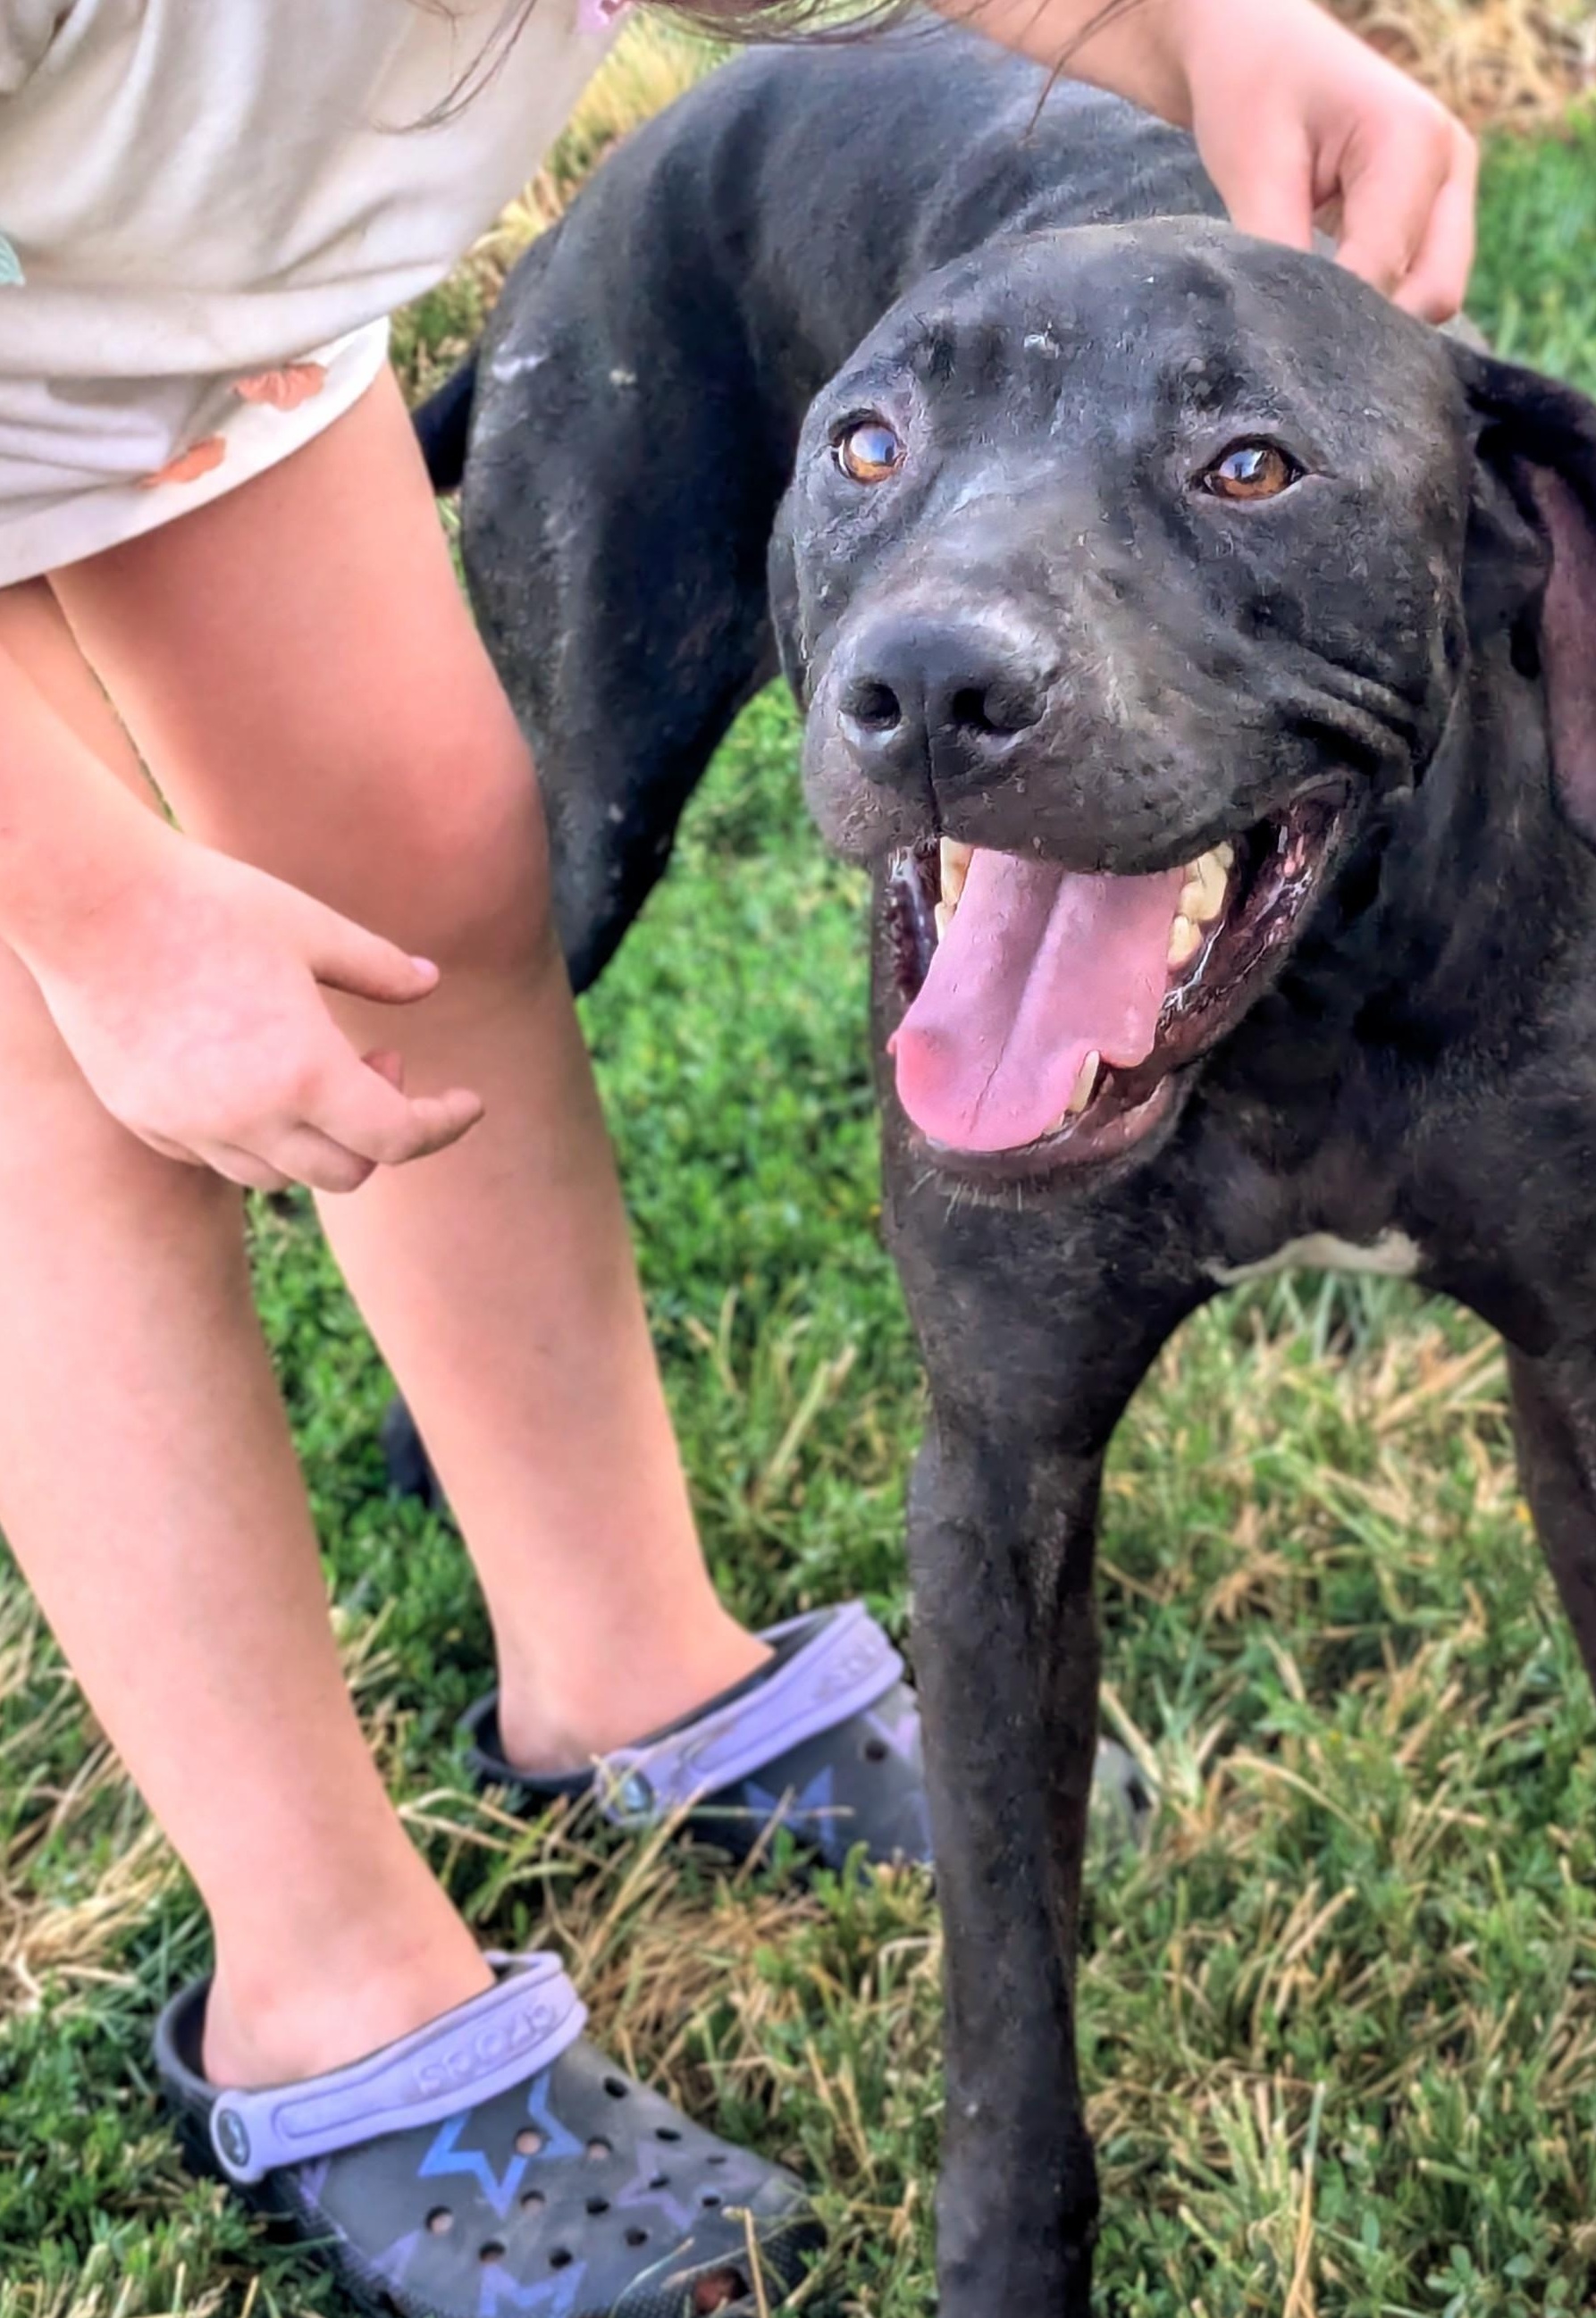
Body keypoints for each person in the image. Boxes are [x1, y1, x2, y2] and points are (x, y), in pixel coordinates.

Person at [0, 0, 1474, 2304]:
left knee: (430, 882)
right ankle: (324, 1981)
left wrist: (1194, 17)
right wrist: (86, 901)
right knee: (49, 1092)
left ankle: (622, 1665)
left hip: (139, 302)